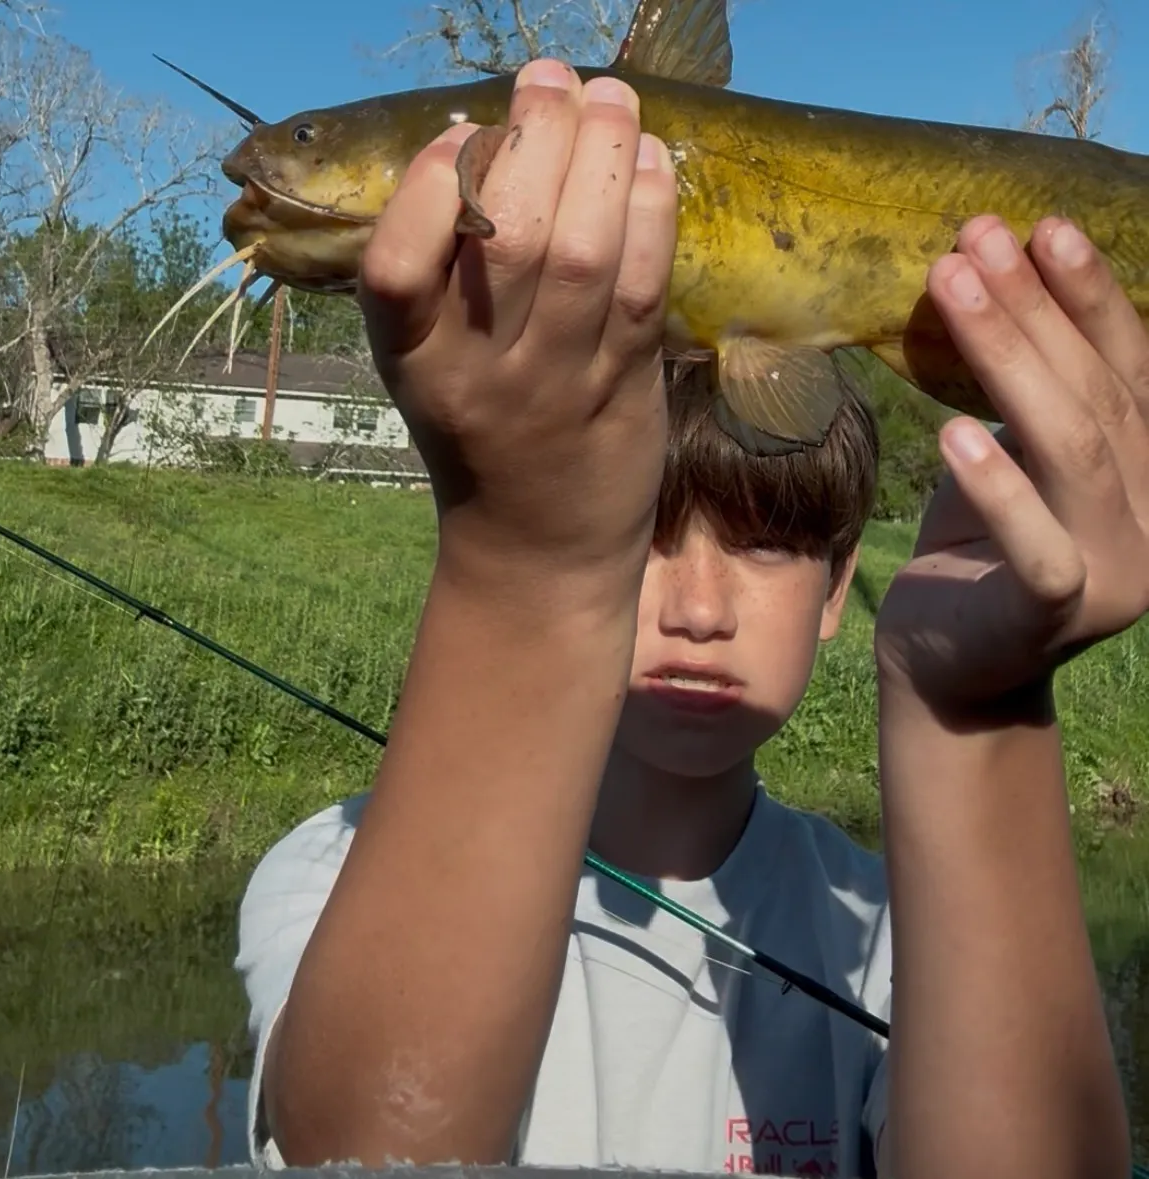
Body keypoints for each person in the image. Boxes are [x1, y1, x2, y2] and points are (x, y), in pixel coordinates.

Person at [234, 58, 1146, 1179]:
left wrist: (973, 714)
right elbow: (368, 1151)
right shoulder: (331, 874)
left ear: (839, 582)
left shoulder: (893, 933)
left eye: (765, 541)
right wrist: (533, 563)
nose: (701, 611)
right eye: (640, 538)